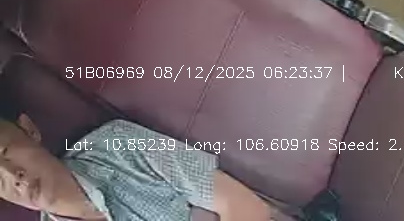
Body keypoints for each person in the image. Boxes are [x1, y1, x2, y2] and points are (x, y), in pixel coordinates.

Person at [0, 101, 284, 221]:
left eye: (5, 152)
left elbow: (243, 206)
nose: (13, 176)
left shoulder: (118, 144)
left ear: (30, 130)